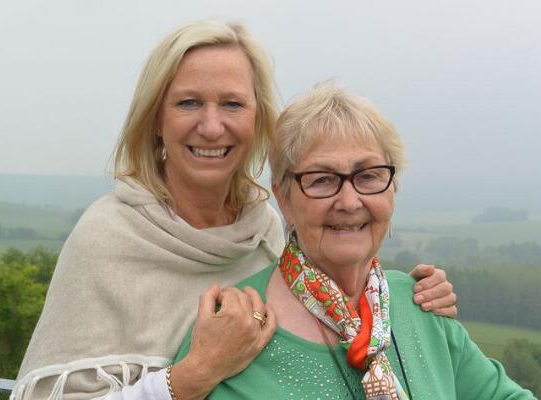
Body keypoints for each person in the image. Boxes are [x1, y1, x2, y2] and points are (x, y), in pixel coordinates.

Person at [12, 21, 457, 400]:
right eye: (188, 102)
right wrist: (192, 376)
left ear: (257, 119)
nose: (211, 126)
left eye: (232, 103)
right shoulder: (106, 237)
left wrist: (405, 299)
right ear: (156, 120)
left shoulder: (264, 229)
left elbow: (326, 297)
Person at [175, 81, 534, 399]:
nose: (349, 202)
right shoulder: (231, 331)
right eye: (322, 179)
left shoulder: (421, 306)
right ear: (284, 198)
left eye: (368, 176)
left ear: (392, 189)